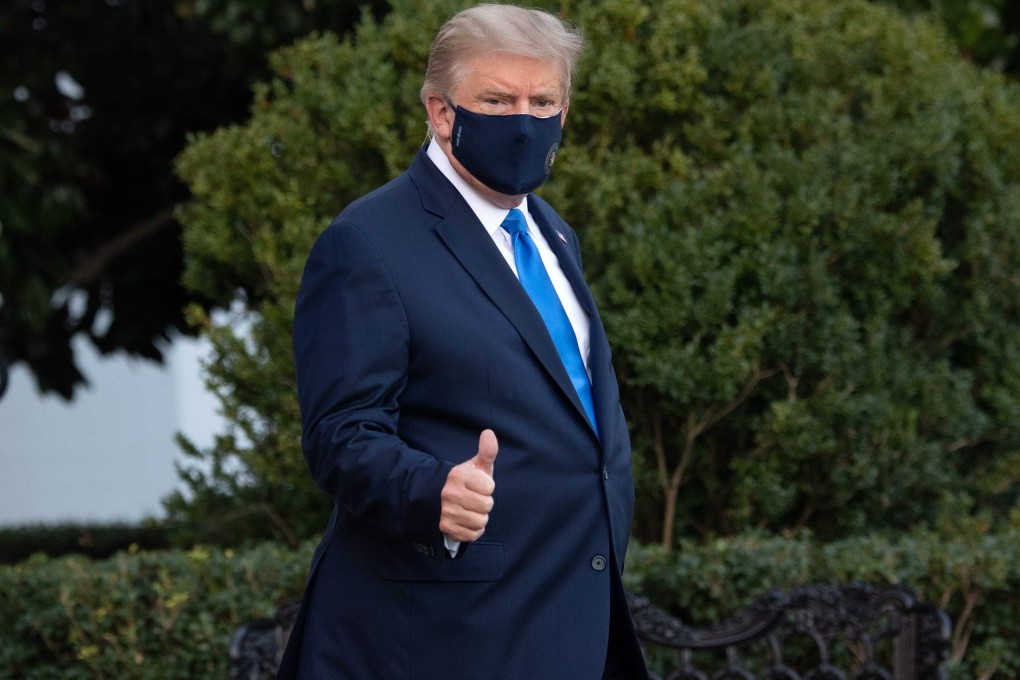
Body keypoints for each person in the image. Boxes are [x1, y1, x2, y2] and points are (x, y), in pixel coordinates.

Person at [277, 4, 648, 679]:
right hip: (444, 642)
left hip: (569, 618)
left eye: (545, 101)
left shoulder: (552, 232)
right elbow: (339, 434)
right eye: (498, 101)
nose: (525, 122)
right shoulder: (367, 243)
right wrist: (431, 492)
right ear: (442, 112)